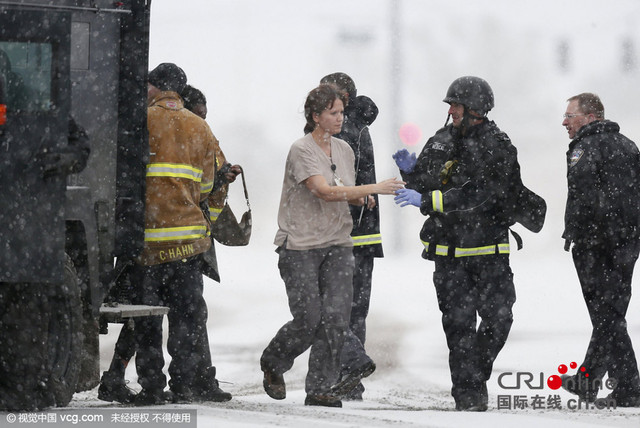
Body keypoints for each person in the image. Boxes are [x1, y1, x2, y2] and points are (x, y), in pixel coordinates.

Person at [260, 83, 404, 408]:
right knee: (308, 318)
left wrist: (363, 196)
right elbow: (323, 190)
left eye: (341, 112)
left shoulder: (345, 151)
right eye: (333, 113)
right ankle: (274, 361)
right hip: (300, 245)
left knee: (337, 317)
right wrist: (375, 188)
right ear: (315, 116)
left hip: (338, 243)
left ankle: (321, 387)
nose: (340, 118)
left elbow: (343, 188)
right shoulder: (301, 150)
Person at [393, 76, 525, 411]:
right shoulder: (439, 141)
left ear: (475, 109)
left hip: (489, 252)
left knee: (499, 319)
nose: (451, 111)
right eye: (450, 105)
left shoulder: (498, 144)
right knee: (459, 326)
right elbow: (428, 183)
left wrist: (428, 200)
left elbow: (480, 195)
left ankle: (472, 374)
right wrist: (411, 173)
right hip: (448, 254)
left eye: (456, 105)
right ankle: (469, 397)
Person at [98, 82, 233, 405]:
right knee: (186, 319)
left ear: (158, 88)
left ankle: (152, 387)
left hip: (148, 244)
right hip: (188, 244)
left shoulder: (139, 120)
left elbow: (116, 174)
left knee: (147, 320)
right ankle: (185, 384)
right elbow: (210, 185)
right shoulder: (200, 126)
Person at [559, 93, 640, 407]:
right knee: (612, 313)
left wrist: (576, 231)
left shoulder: (584, 148)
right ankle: (594, 381)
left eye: (570, 115)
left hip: (596, 244)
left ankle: (623, 386)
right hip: (628, 243)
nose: (565, 122)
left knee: (606, 315)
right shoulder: (629, 146)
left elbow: (584, 195)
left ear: (590, 117)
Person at [319, 72, 381, 400]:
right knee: (354, 310)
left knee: (329, 307)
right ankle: (349, 378)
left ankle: (346, 370)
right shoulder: (360, 128)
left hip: (343, 232)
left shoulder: (341, 131)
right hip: (364, 234)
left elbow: (332, 184)